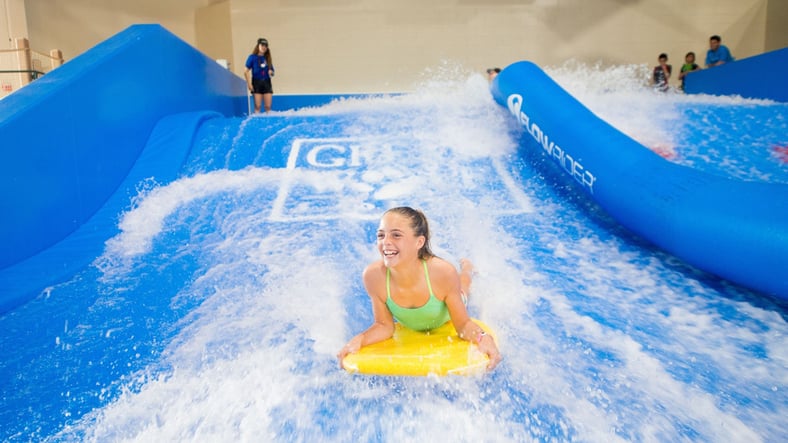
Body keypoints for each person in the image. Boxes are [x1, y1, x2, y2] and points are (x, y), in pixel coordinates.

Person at [337, 207, 502, 371]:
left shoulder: (442, 273)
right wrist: (360, 339)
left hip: (444, 313)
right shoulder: (373, 276)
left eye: (396, 235)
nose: (385, 242)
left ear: (419, 242)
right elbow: (384, 325)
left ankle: (467, 268)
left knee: (463, 287)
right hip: (419, 314)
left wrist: (482, 338)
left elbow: (463, 325)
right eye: (381, 235)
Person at [244, 38, 275, 113]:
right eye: (262, 45)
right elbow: (245, 71)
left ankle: (268, 122)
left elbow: (273, 72)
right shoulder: (252, 57)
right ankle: (257, 122)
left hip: (267, 82)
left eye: (266, 46)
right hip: (256, 82)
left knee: (268, 106)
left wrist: (271, 72)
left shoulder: (268, 58)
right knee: (257, 106)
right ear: (258, 46)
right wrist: (249, 84)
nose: (264, 47)